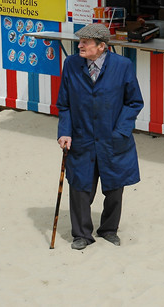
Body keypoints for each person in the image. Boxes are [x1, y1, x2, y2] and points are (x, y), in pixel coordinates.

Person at [56, 23, 144, 250]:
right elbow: (64, 104)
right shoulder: (71, 65)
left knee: (115, 188)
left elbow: (134, 102)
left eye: (86, 42)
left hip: (113, 138)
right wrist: (64, 131)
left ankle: (109, 230)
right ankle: (82, 234)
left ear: (102, 46)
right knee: (80, 187)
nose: (80, 45)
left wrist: (121, 131)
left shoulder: (122, 66)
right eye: (80, 41)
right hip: (81, 137)